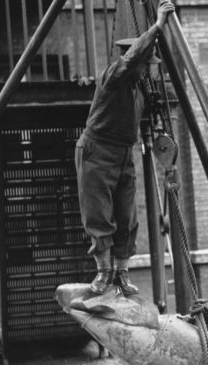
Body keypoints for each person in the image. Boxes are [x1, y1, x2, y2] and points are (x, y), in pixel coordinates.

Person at [75, 0, 176, 296]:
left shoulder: (138, 91)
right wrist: (157, 26)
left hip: (122, 154)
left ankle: (121, 273)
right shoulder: (113, 77)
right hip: (97, 150)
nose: (150, 70)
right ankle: (103, 273)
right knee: (99, 214)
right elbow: (131, 60)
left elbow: (142, 120)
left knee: (127, 217)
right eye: (148, 64)